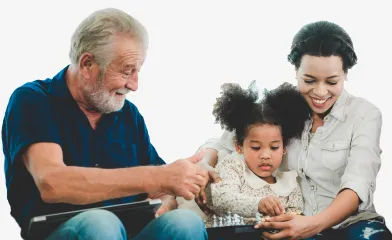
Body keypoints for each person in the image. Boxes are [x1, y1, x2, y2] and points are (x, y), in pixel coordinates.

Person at [2, 8, 208, 240]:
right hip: (62, 233)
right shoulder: (32, 99)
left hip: (130, 233)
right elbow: (52, 182)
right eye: (126, 71)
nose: (134, 85)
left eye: (137, 72)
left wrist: (168, 199)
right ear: (87, 64)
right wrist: (158, 176)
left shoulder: (128, 114)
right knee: (100, 223)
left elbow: (161, 187)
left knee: (185, 223)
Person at [197, 21, 392, 239]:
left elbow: (358, 184)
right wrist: (205, 164)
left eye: (332, 82)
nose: (320, 92)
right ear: (296, 70)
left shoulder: (364, 115)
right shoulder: (279, 107)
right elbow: (223, 142)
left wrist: (312, 225)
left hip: (352, 225)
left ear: (345, 74)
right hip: (293, 225)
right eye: (309, 80)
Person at [205, 82, 309, 221]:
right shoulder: (233, 166)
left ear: (283, 148)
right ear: (239, 146)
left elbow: (295, 213)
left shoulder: (290, 181)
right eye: (256, 147)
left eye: (274, 147)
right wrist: (258, 204)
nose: (265, 156)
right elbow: (221, 198)